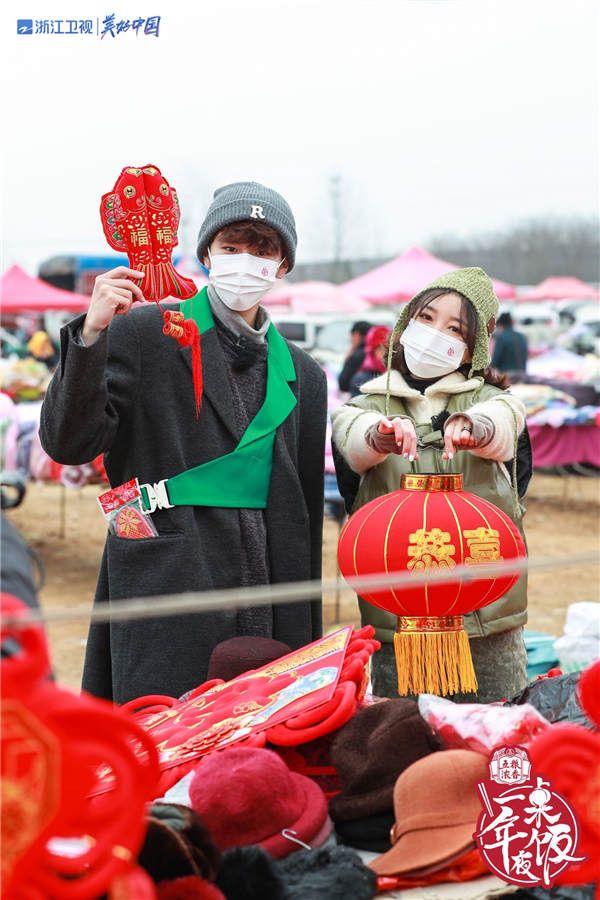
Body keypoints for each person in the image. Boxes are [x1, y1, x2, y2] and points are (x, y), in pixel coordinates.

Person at [40, 181, 327, 705]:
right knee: (161, 744)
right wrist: (91, 335)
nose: (247, 260)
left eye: (264, 248)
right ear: (206, 254)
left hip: (270, 589)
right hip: (168, 577)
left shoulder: (304, 375)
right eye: (232, 245)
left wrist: (304, 620)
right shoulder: (145, 333)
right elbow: (68, 442)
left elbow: (304, 507)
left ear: (283, 265)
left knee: (259, 745)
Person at [331, 267, 528, 703]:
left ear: (469, 350)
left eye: (454, 328)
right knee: (403, 743)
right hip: (396, 620)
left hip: (485, 619)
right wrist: (380, 436)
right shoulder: (363, 405)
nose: (435, 333)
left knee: (496, 734)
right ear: (404, 326)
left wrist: (474, 427)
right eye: (426, 318)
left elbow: (502, 429)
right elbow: (356, 442)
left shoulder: (496, 403)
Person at [348, 325, 392, 395]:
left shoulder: (393, 376)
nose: (384, 354)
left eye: (387, 349)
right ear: (372, 351)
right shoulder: (360, 379)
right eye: (380, 349)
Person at [337, 321, 371, 392]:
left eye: (352, 336)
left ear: (356, 334)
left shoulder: (357, 355)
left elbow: (343, 384)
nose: (350, 340)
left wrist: (348, 358)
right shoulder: (375, 353)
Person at [491, 312, 528, 376]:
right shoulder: (521, 336)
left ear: (500, 325)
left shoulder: (501, 337)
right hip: (523, 374)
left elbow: (495, 361)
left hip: (507, 375)